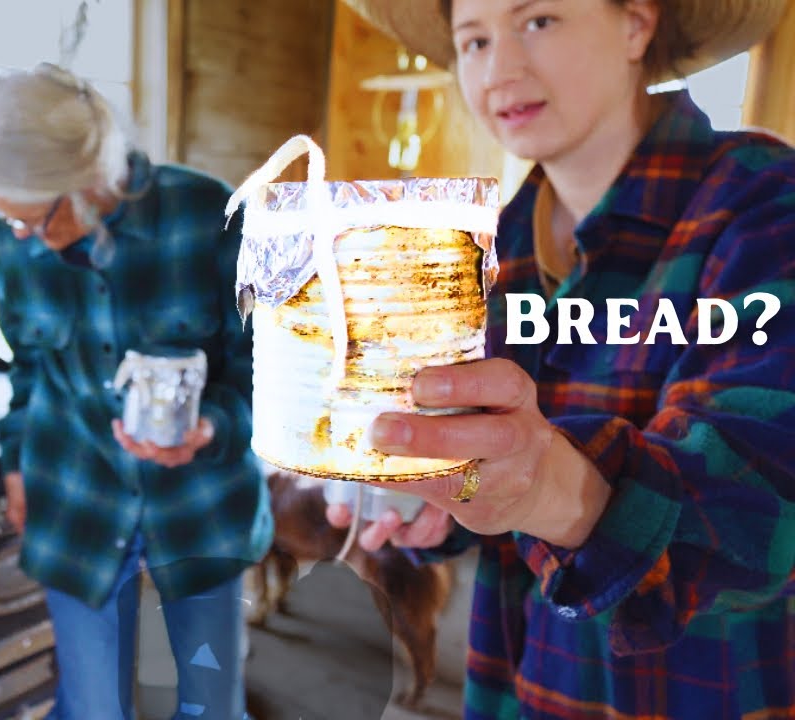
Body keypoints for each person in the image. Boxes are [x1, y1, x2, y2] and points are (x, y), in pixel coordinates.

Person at [326, 0, 795, 717]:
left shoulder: (766, 202)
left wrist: (550, 487)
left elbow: (763, 507)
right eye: (474, 40)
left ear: (636, 26)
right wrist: (438, 504)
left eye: (538, 20)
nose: (500, 69)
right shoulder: (490, 244)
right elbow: (479, 460)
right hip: (515, 683)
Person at [0, 63, 272, 720]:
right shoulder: (12, 236)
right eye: (2, 217)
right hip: (76, 499)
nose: (19, 238)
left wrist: (212, 427)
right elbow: (28, 370)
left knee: (210, 705)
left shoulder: (211, 216)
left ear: (91, 180)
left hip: (201, 509)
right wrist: (15, 463)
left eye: (33, 218)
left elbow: (265, 370)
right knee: (94, 709)